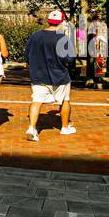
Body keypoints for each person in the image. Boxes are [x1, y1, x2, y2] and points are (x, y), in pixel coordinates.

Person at [25, 9, 76, 141]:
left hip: (38, 75)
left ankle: (32, 127)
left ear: (49, 21)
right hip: (60, 76)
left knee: (36, 101)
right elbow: (69, 59)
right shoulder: (62, 38)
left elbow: (27, 55)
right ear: (62, 22)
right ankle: (65, 127)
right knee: (65, 100)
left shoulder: (34, 36)